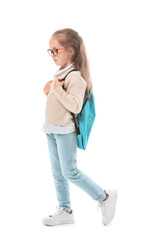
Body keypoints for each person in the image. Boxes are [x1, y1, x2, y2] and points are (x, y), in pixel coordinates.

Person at [41, 28, 118, 226]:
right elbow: (59, 102)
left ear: (70, 51)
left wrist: (56, 90)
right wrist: (49, 91)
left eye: (56, 50)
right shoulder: (60, 73)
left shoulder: (75, 77)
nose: (52, 55)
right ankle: (65, 210)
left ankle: (104, 197)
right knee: (57, 173)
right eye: (50, 51)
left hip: (65, 131)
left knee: (70, 171)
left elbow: (75, 106)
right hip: (51, 129)